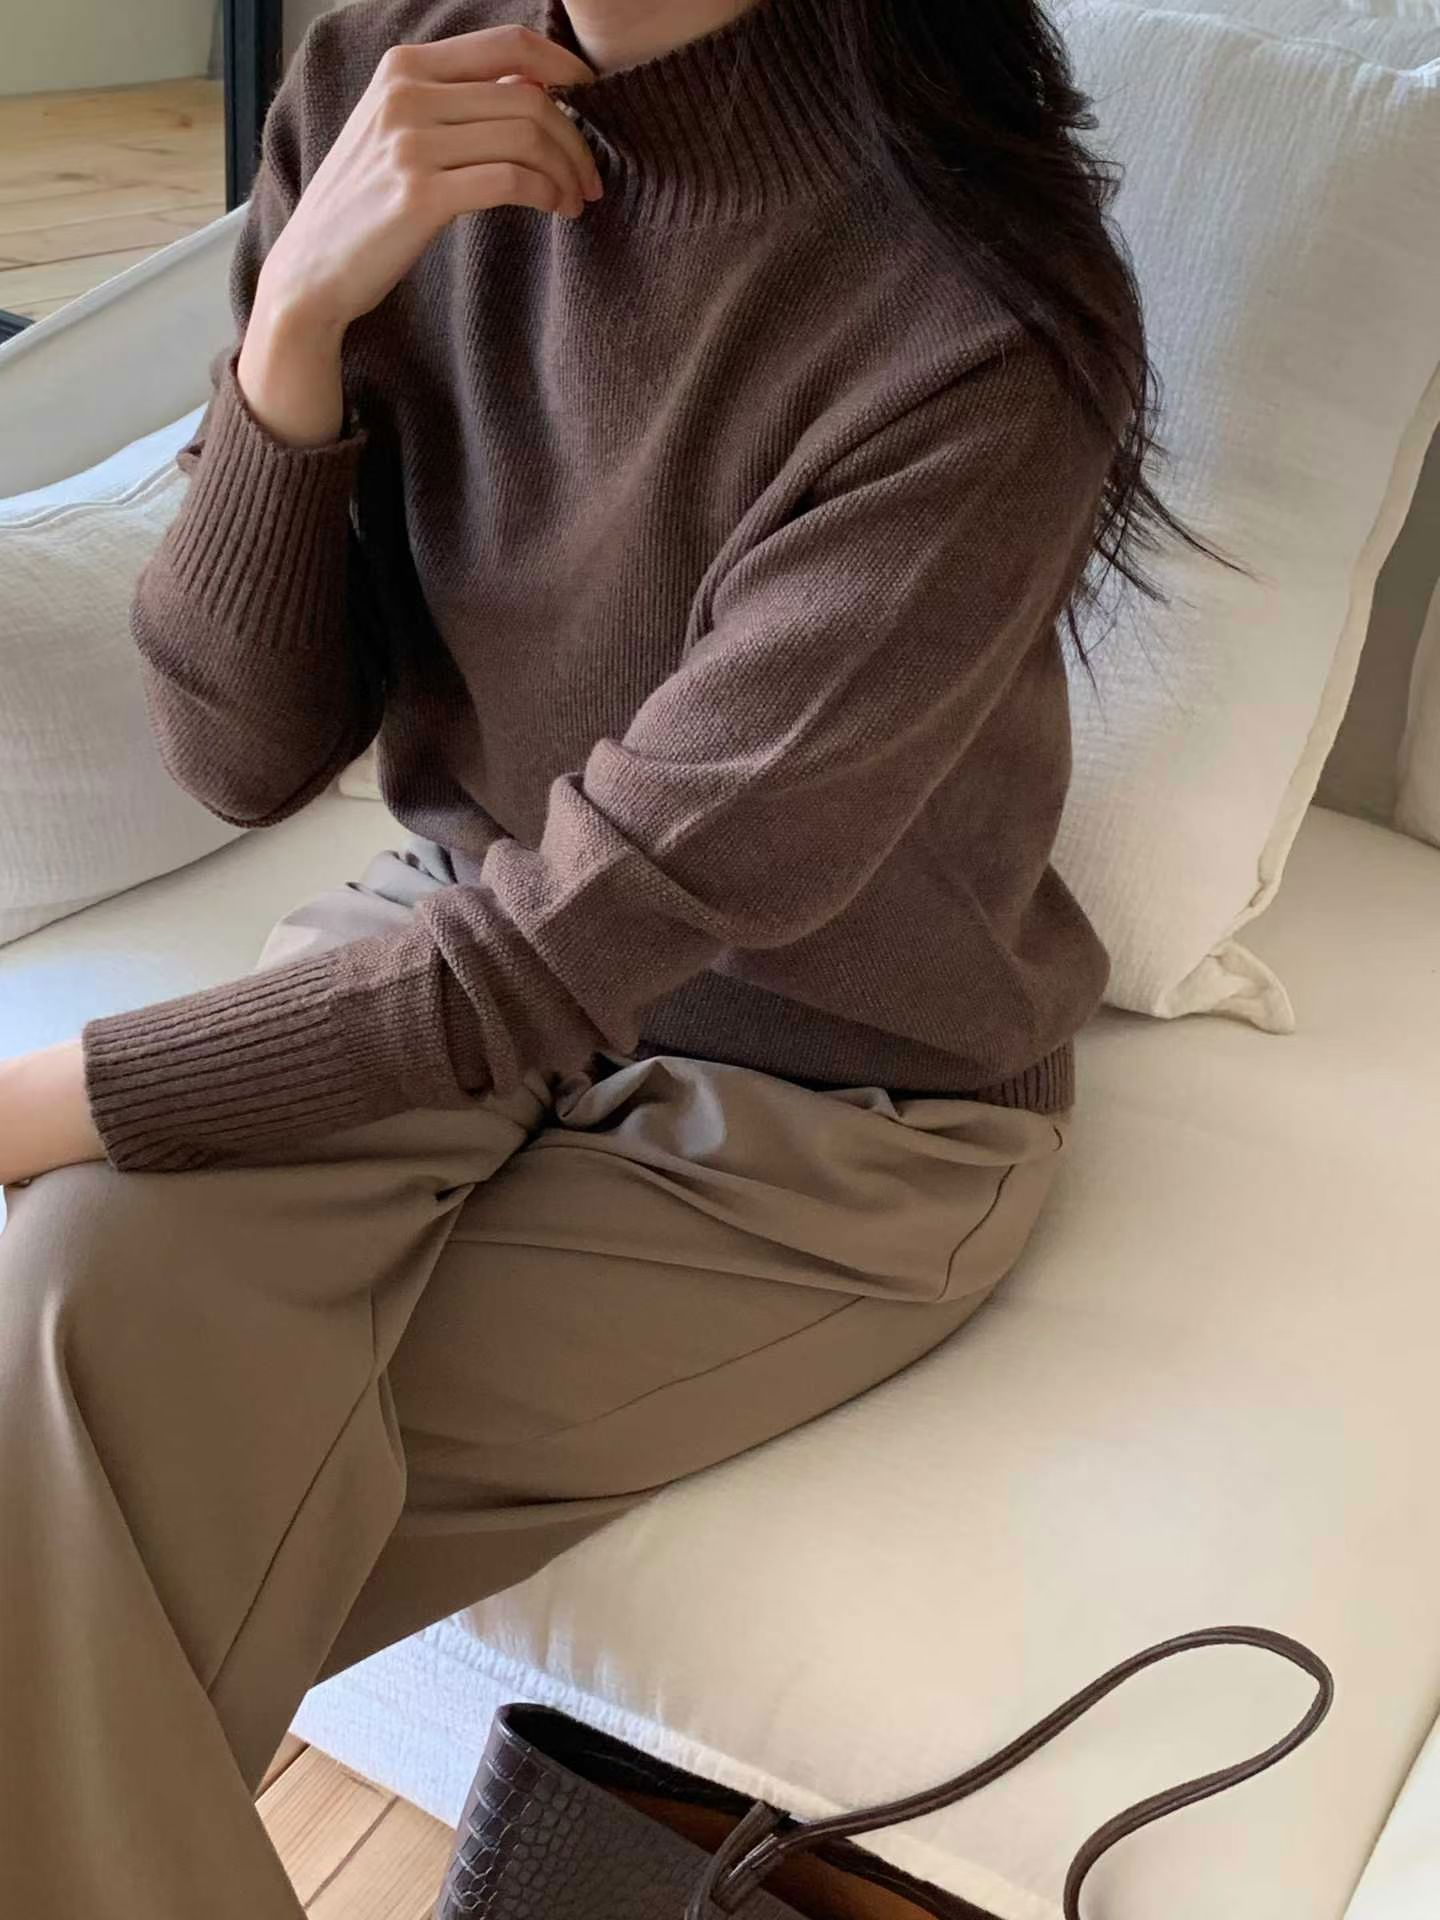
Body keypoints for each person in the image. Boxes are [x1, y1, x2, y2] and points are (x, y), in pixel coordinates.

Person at [0, 0, 1227, 1911]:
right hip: (453, 935)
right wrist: (294, 329)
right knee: (76, 1293)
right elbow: (239, 756)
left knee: (74, 1498)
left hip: (841, 1113)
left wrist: (43, 1099)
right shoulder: (375, 84)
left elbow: (611, 916)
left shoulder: (979, 313)